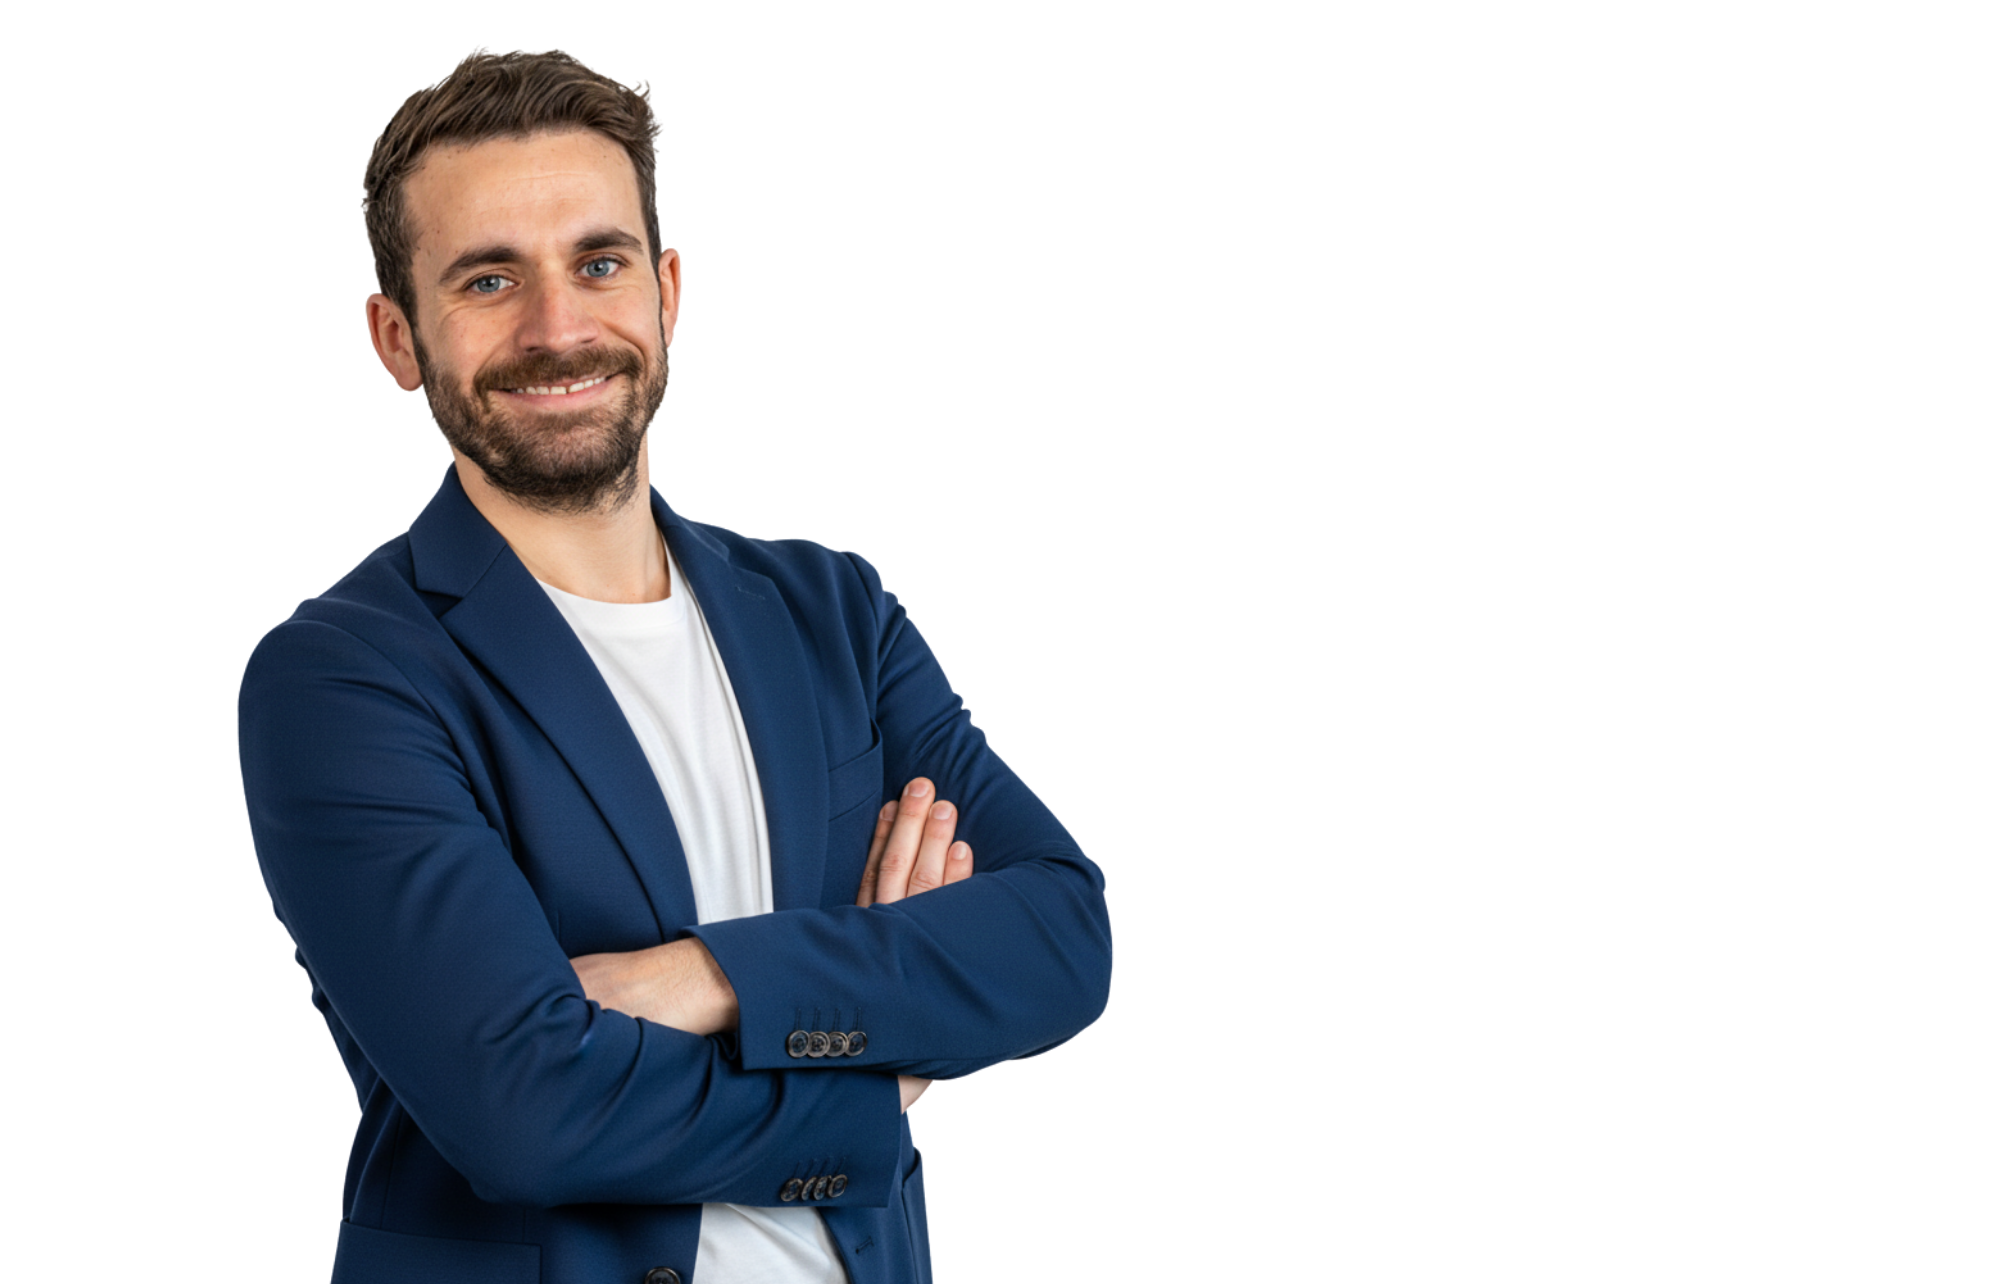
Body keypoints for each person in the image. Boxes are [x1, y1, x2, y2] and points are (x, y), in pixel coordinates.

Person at [237, 47, 1112, 1284]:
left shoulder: (832, 609)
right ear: (397, 337)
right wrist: (879, 1067)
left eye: (598, 263)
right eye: (489, 279)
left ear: (668, 292)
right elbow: (525, 1112)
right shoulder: (340, 678)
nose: (557, 328)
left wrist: (704, 977)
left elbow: (1062, 938)